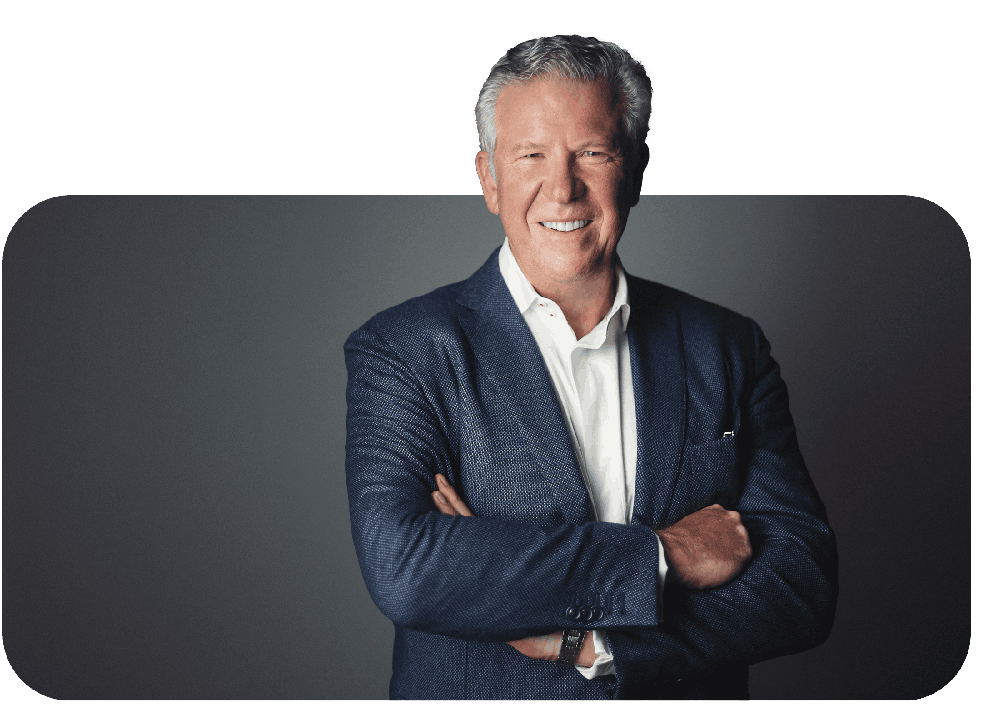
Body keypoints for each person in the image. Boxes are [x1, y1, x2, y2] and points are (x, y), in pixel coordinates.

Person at [344, 34, 837, 700]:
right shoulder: (404, 350)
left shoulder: (729, 346)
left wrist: (590, 642)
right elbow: (407, 567)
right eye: (532, 156)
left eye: (592, 153)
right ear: (490, 178)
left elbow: (802, 583)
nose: (563, 187)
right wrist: (665, 555)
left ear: (634, 170)